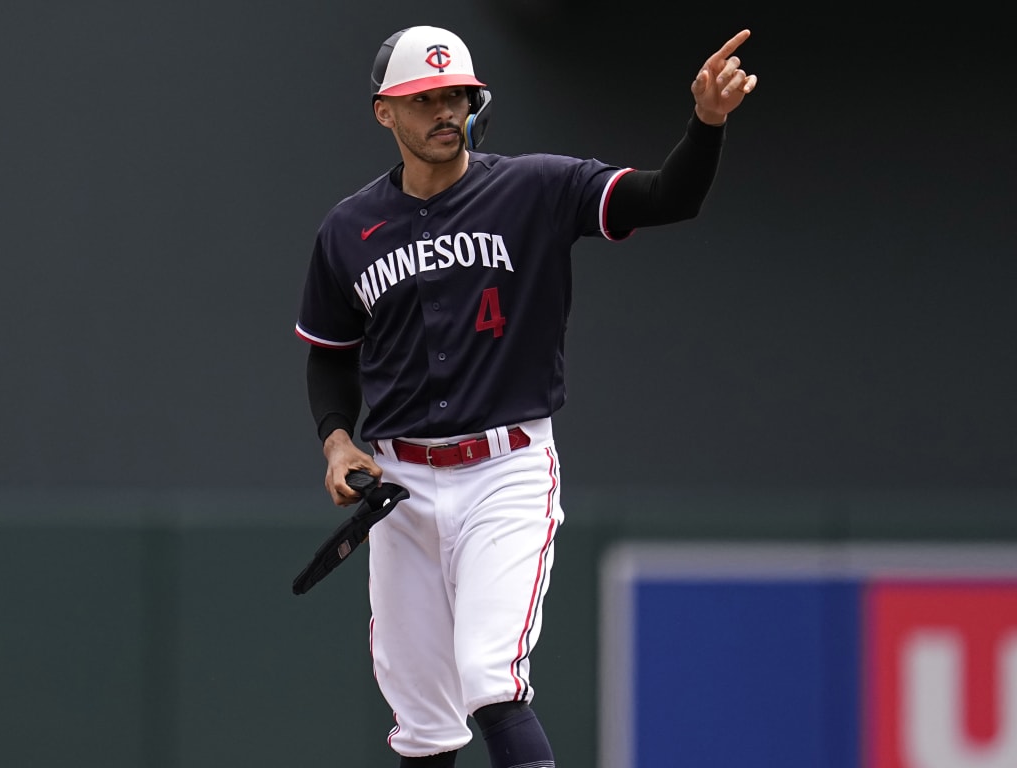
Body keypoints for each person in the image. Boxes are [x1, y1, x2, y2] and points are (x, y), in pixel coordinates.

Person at [293, 24, 757, 767]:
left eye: (458, 96)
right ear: (385, 111)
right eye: (425, 99)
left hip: (502, 471)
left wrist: (705, 124)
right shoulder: (349, 228)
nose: (446, 111)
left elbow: (669, 198)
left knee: (489, 678)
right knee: (421, 720)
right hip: (400, 484)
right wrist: (338, 438)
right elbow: (330, 357)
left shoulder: (535, 185)